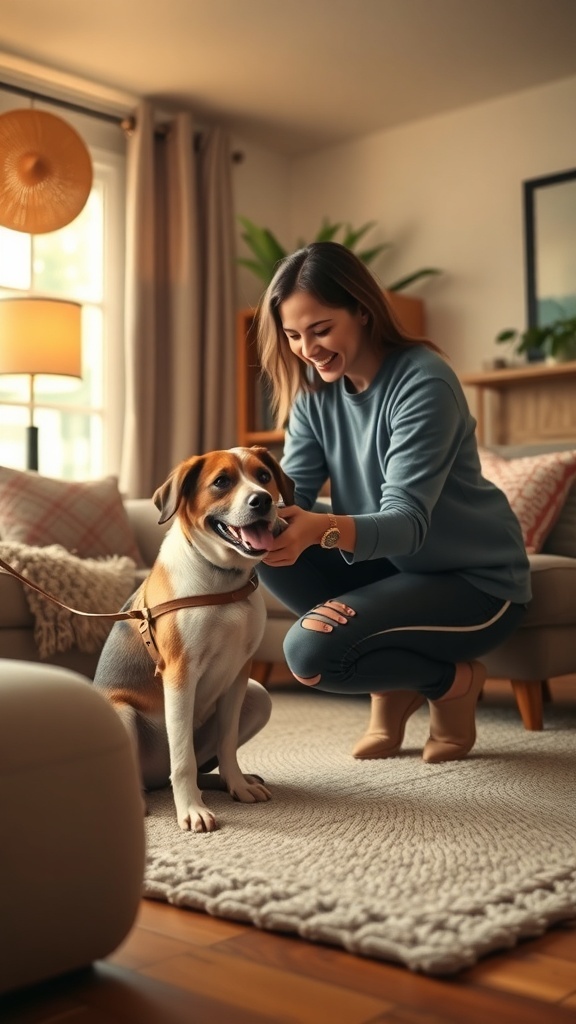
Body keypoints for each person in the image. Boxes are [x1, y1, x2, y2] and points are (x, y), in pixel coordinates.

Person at [255, 241, 531, 763]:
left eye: (320, 330)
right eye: (293, 336)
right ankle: (398, 681)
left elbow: (407, 525)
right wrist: (245, 515)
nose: (307, 349)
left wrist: (318, 528)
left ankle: (449, 684)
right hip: (390, 571)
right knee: (268, 553)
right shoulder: (313, 396)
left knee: (311, 655)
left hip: (475, 582)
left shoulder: (423, 381)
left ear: (361, 309)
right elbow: (294, 498)